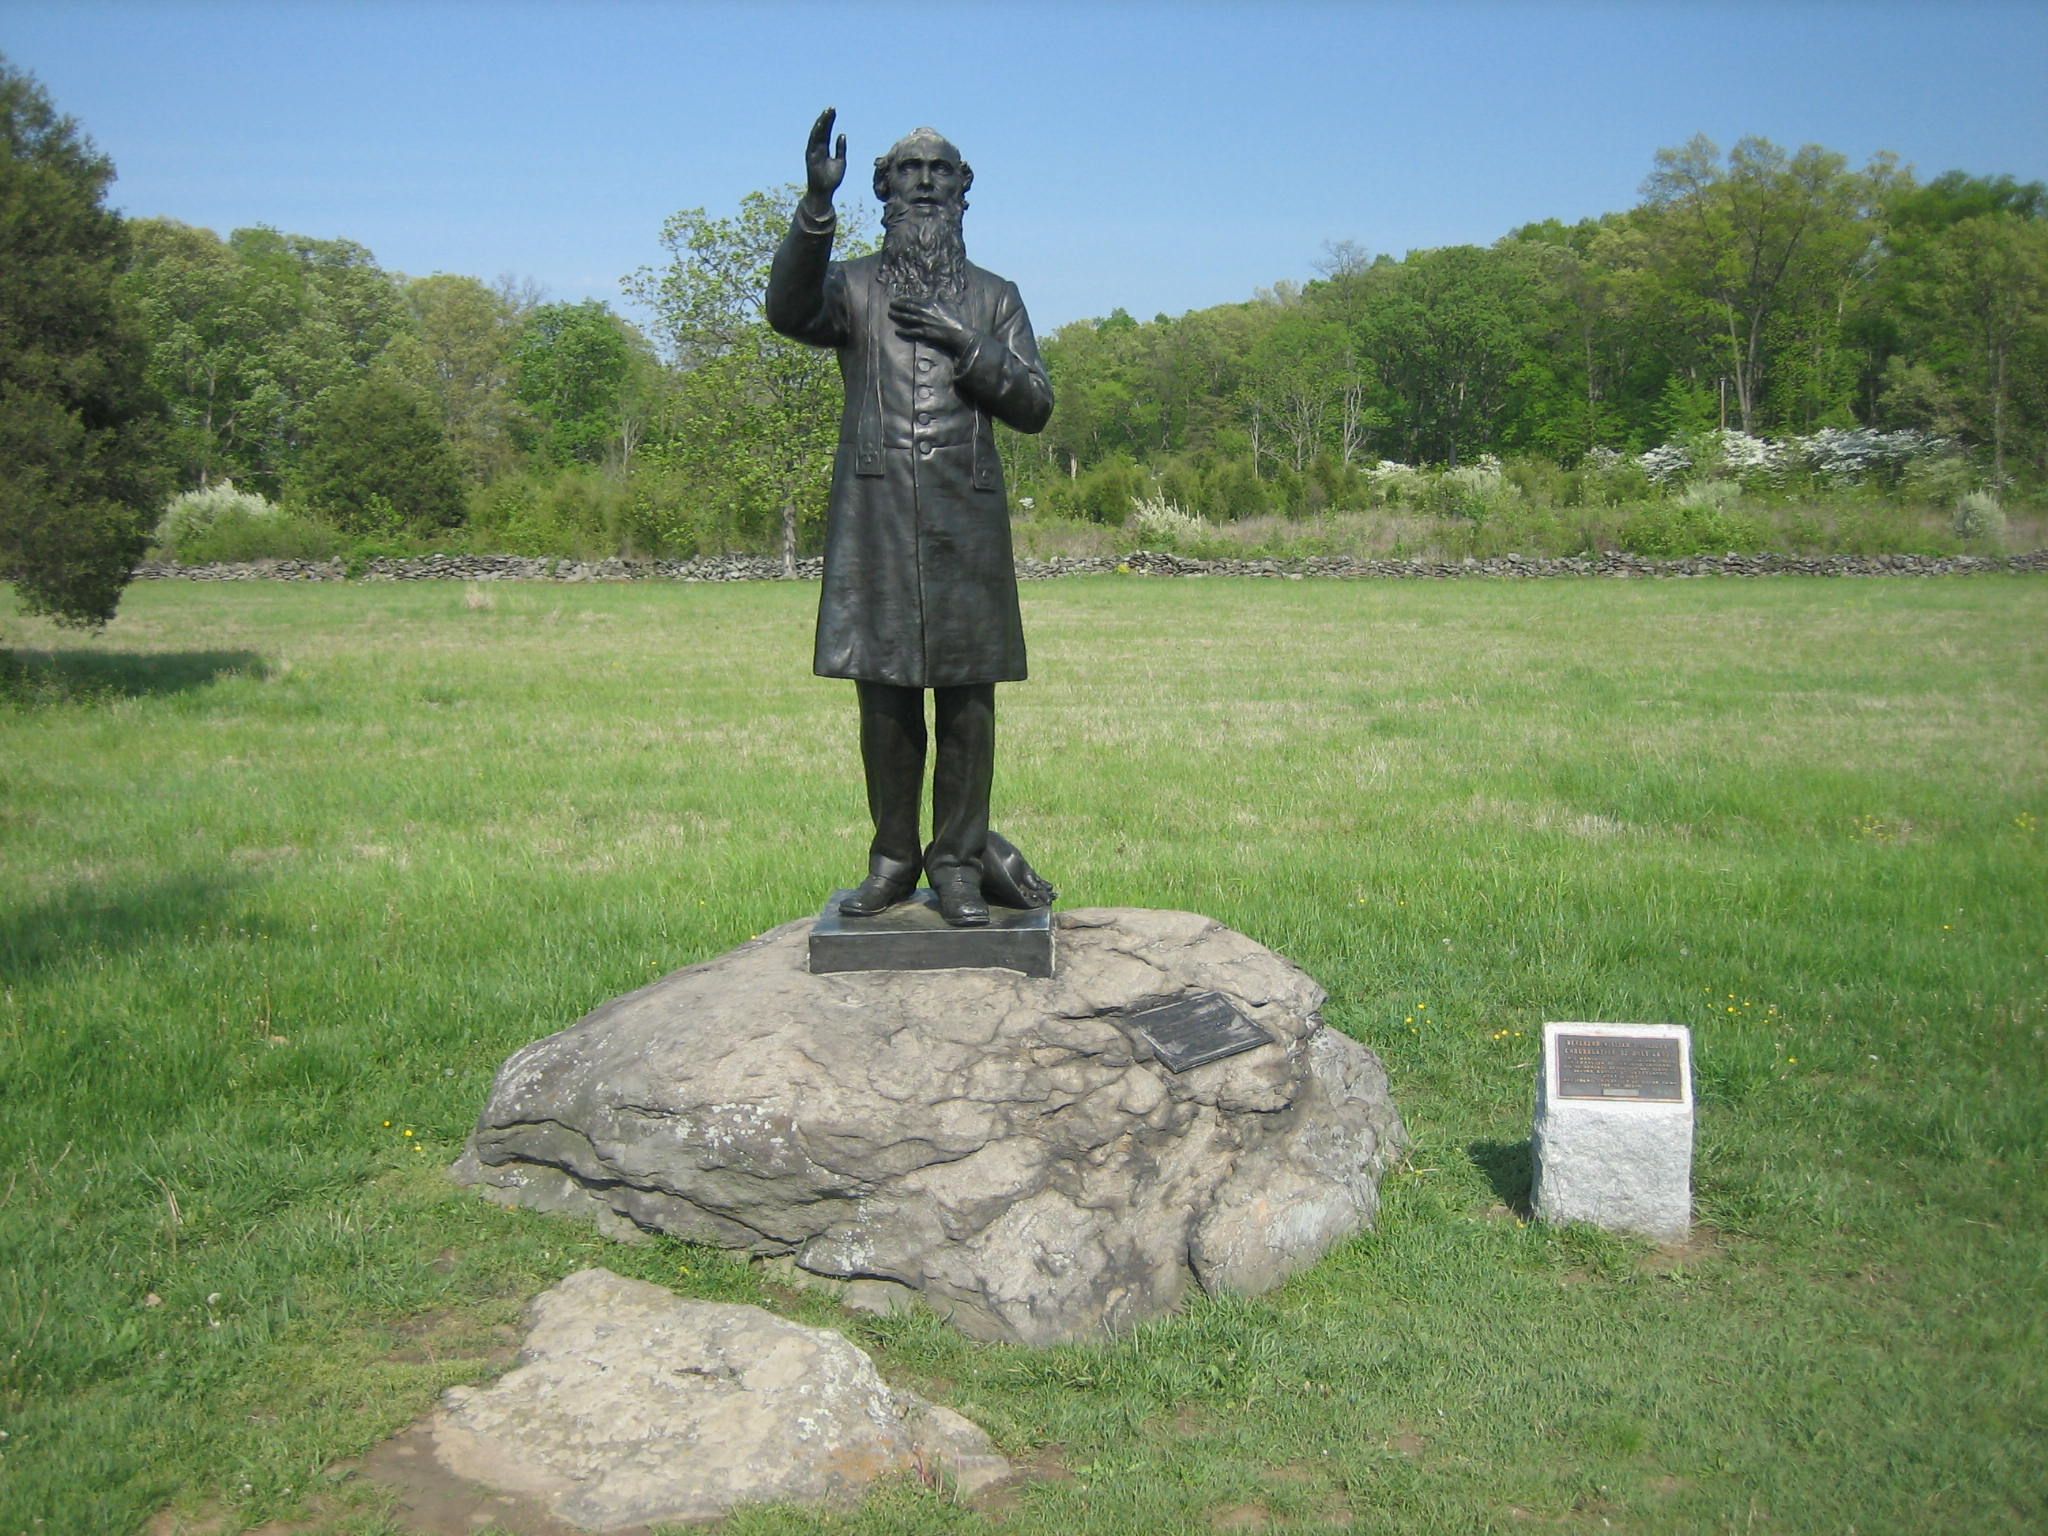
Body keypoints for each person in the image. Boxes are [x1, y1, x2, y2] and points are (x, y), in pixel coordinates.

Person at [766, 108, 1054, 927]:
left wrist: (970, 345)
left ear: (964, 189)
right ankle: (893, 860)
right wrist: (814, 207)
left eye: (940, 171)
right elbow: (787, 308)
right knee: (886, 702)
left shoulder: (995, 297)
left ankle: (957, 864)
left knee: (968, 705)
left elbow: (1036, 403)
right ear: (883, 189)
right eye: (908, 171)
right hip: (879, 519)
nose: (925, 183)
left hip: (967, 522)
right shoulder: (852, 289)